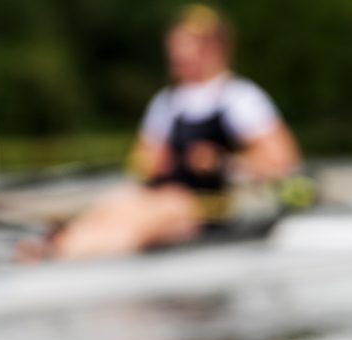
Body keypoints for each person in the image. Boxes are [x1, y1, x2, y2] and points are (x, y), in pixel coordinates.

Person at [31, 5, 301, 261]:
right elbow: (140, 163)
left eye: (188, 46)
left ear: (214, 48)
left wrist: (222, 163)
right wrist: (153, 164)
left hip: (209, 204)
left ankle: (68, 255)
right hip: (165, 194)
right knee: (115, 202)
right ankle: (57, 247)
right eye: (176, 46)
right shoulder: (166, 102)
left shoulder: (239, 97)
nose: (178, 54)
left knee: (149, 217)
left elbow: (282, 162)